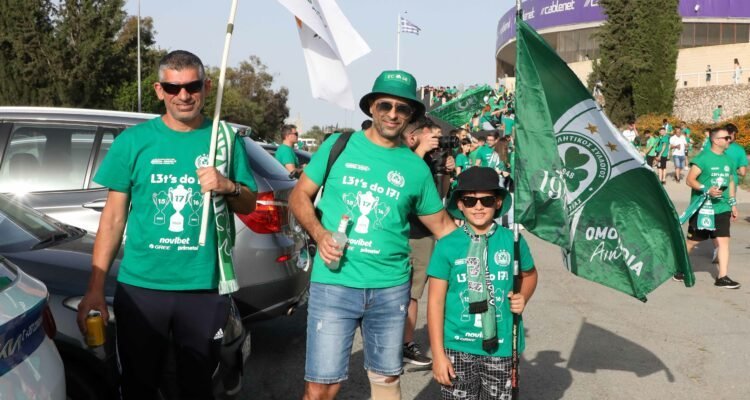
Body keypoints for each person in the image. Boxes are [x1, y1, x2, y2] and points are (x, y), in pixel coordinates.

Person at [76, 50, 257, 399]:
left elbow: (248, 203)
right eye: (173, 88)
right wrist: (95, 287)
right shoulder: (133, 141)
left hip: (204, 289)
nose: (183, 95)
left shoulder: (224, 140)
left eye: (192, 86)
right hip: (142, 288)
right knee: (138, 385)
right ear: (160, 91)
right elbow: (113, 220)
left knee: (197, 387)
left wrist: (227, 185)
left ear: (206, 87)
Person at [289, 70, 457, 400]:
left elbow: (442, 225)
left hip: (390, 289)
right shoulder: (339, 146)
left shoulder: (415, 167)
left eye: (402, 108)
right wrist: (320, 234)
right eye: (385, 105)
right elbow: (299, 196)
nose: (393, 114)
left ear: (411, 115)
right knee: (321, 387)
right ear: (371, 107)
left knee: (386, 380)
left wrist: (486, 243)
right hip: (334, 284)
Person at [427, 167, 538, 399]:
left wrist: (523, 297)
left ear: (498, 202)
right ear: (460, 204)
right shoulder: (447, 245)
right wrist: (437, 355)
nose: (478, 207)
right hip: (457, 346)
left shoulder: (513, 241)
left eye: (486, 200)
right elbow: (435, 302)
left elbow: (529, 275)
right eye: (470, 200)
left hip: (502, 347)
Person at [674, 127, 740, 289]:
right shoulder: (703, 158)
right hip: (703, 208)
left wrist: (732, 203)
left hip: (722, 207)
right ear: (715, 140)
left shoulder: (728, 160)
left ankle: (722, 277)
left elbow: (731, 181)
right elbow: (690, 180)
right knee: (692, 241)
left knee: (723, 241)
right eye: (726, 138)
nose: (729, 140)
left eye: (729, 138)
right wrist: (706, 189)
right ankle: (679, 268)